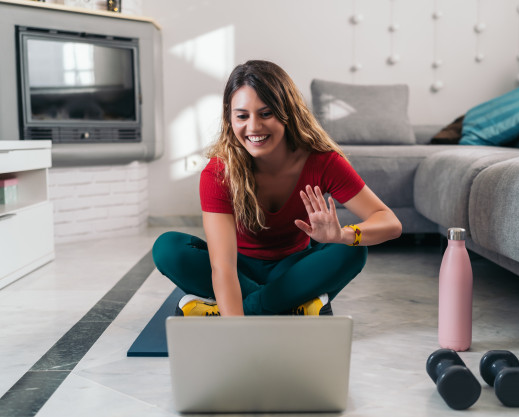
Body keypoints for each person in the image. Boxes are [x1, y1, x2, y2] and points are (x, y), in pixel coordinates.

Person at [152, 60, 402, 317]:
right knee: (168, 248)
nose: (253, 127)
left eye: (266, 113)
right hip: (240, 270)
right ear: (229, 117)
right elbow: (223, 267)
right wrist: (236, 334)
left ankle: (225, 309)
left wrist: (343, 236)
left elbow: (390, 223)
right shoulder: (218, 172)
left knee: (353, 251)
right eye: (242, 116)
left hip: (293, 269)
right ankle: (293, 305)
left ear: (287, 112)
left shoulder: (322, 161)